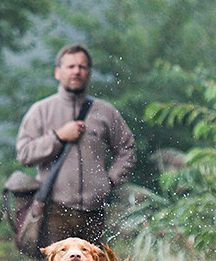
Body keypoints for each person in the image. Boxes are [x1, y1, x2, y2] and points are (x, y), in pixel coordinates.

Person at [16, 44, 136, 248]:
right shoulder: (41, 111)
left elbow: (127, 149)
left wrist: (109, 181)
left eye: (82, 67)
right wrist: (58, 137)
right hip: (54, 210)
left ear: (89, 73)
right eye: (70, 66)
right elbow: (24, 153)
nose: (76, 71)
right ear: (57, 72)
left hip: (94, 211)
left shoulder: (105, 112)